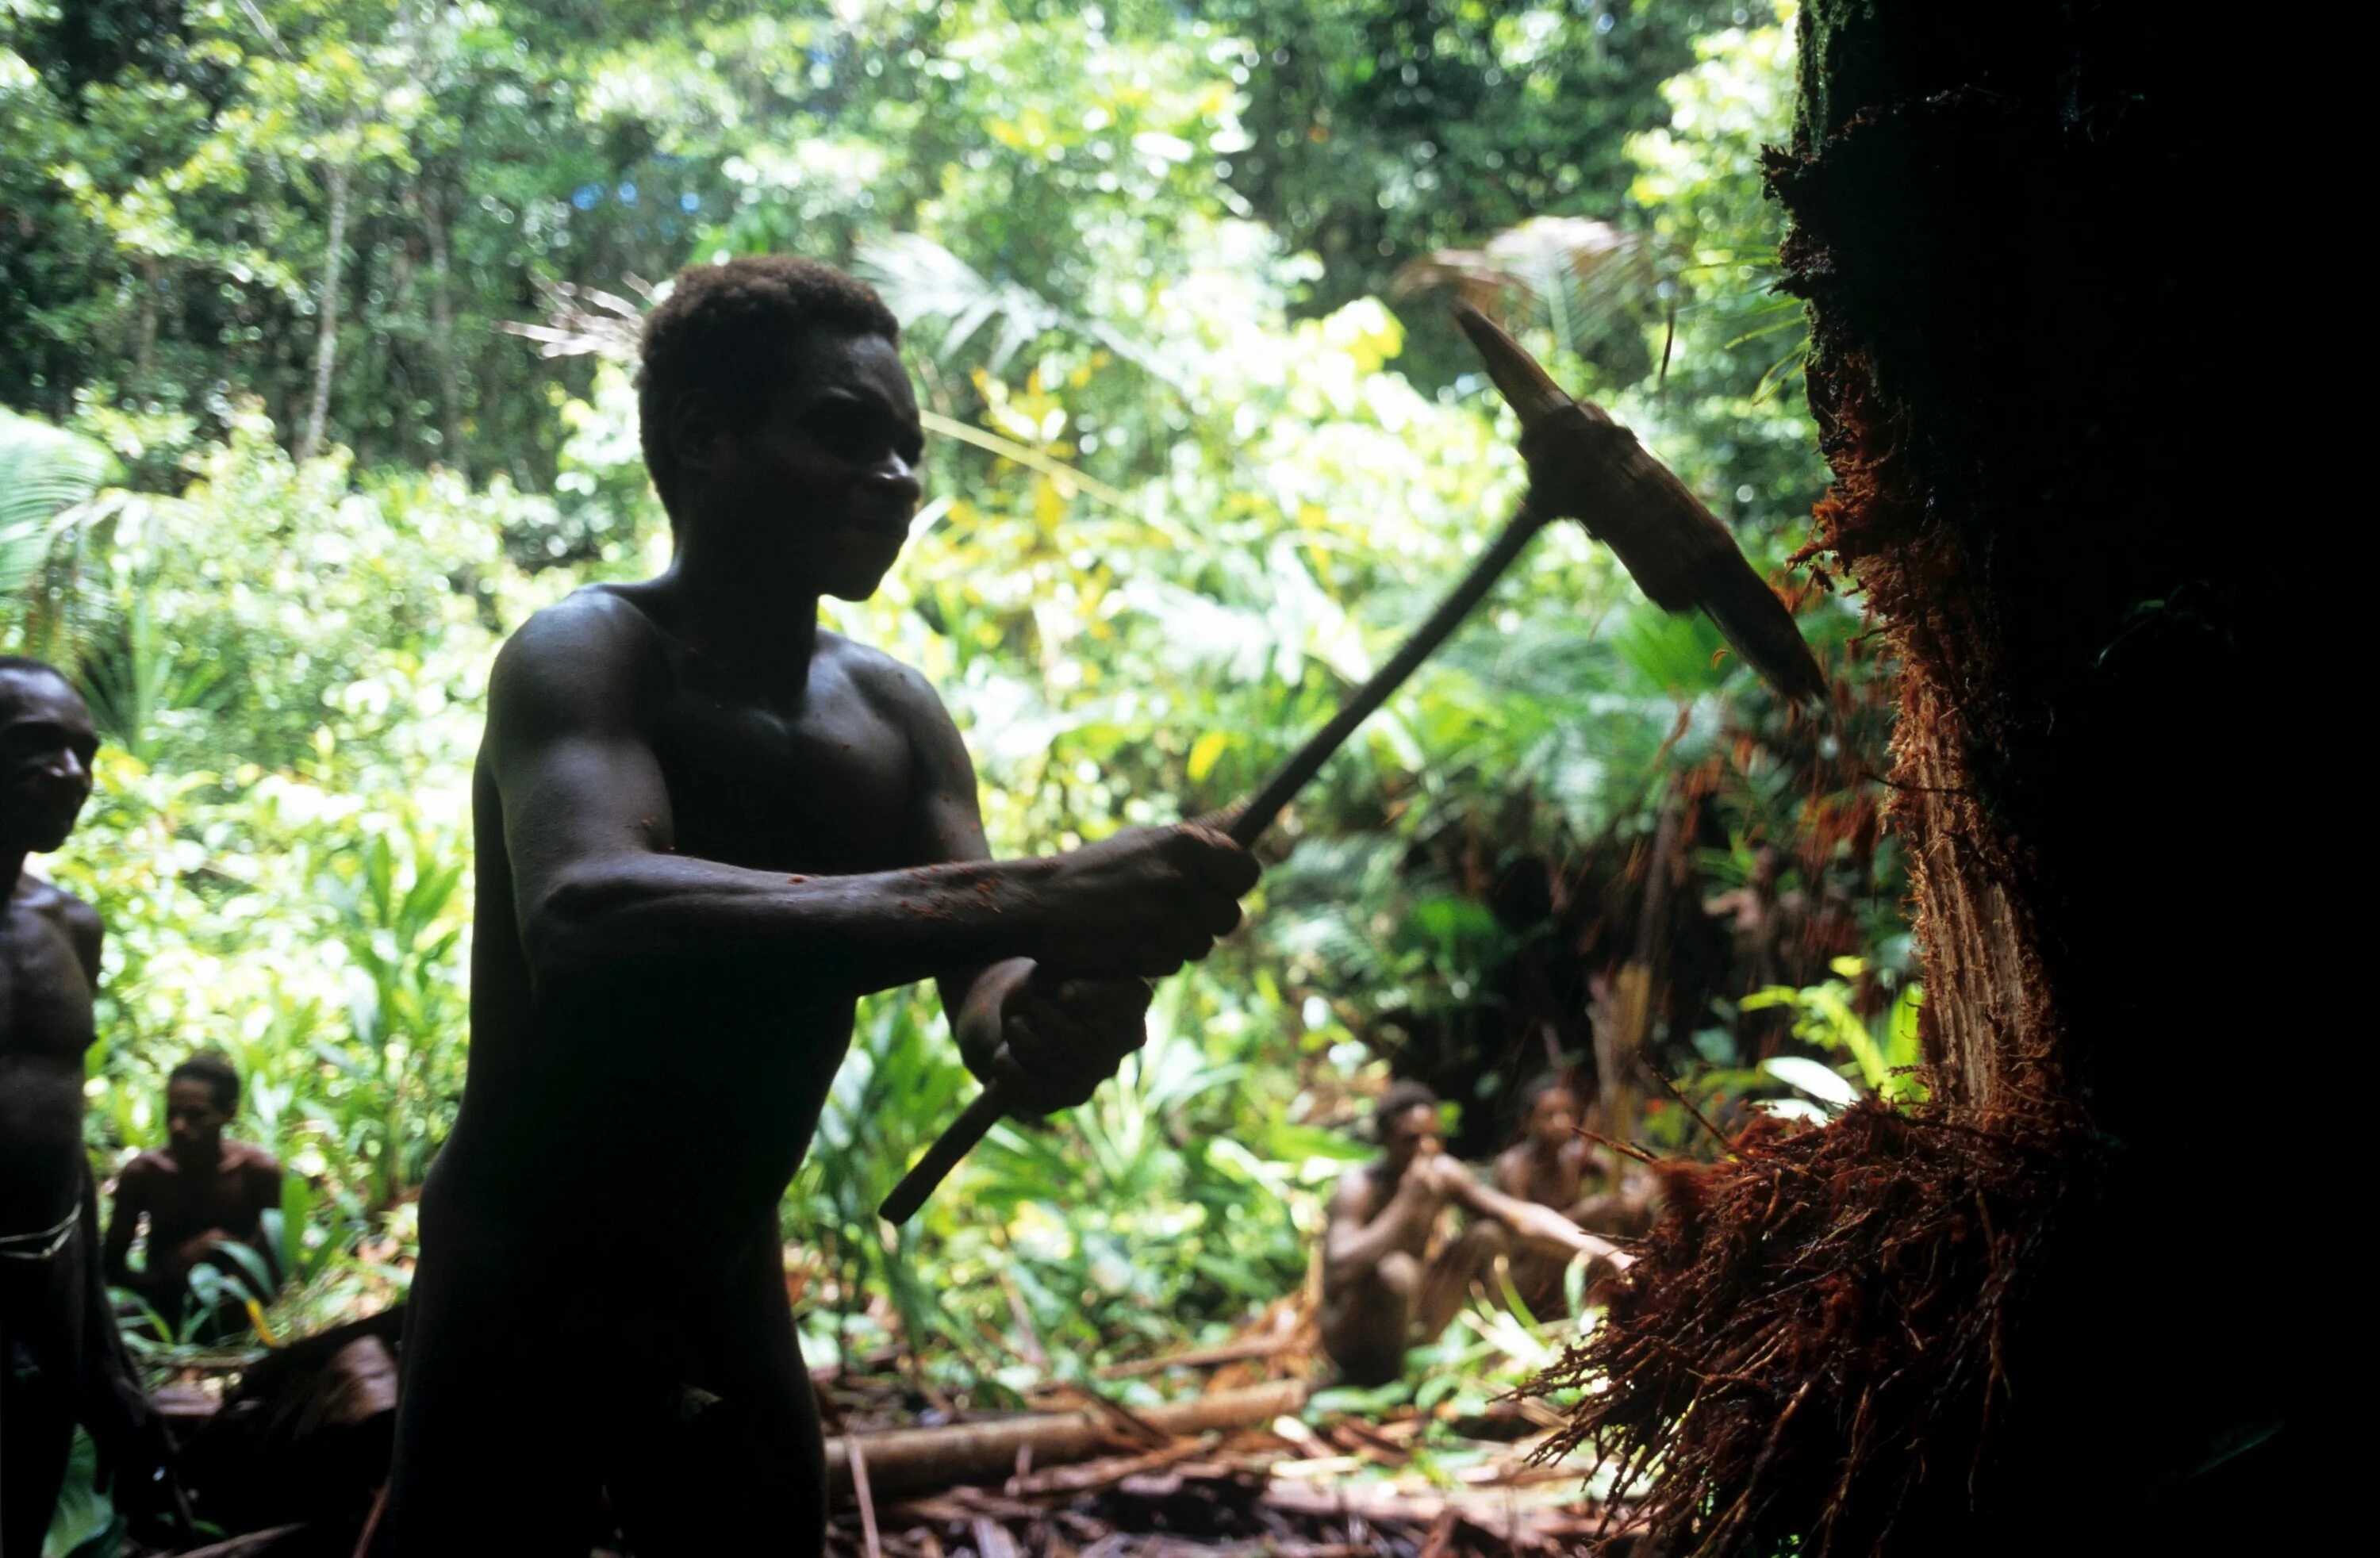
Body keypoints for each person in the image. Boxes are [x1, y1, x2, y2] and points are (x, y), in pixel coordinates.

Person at [377, 257, 1263, 1555]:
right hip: (522, 1275)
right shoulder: (590, 652)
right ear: (703, 437)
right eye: (846, 432)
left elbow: (990, 992)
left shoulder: (896, 711)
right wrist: (1037, 892)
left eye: (909, 448)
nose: (900, 477)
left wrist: (1054, 1012)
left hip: (724, 1277)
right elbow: (590, 917)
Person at [0, 657, 169, 1553]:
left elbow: (60, 1140)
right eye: (38, 746)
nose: (72, 772)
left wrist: (101, 1347)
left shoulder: (71, 925)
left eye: (84, 751)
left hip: (47, 1286)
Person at [1319, 1080, 1626, 1388]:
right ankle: (1386, 1377)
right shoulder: (1358, 1187)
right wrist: (1404, 1205)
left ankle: (1490, 1355)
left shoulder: (1442, 1173)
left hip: (1413, 1313)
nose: (1426, 1148)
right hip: (1352, 1331)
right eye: (1411, 1140)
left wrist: (1607, 1254)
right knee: (1396, 1271)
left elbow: (1521, 1217)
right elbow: (1339, 1270)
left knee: (1486, 1237)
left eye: (1434, 1137)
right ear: (1386, 1140)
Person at [103, 1051, 285, 1332]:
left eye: (195, 1115)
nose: (178, 1126)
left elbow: (274, 1269)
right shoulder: (144, 1174)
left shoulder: (257, 1172)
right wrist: (169, 1276)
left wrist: (220, 1246)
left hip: (242, 1317)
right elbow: (110, 1269)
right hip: (165, 1310)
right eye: (172, 1113)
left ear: (229, 1113)